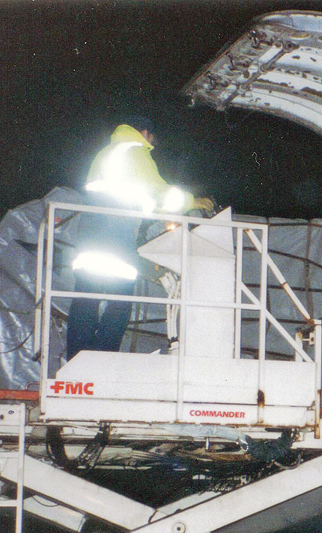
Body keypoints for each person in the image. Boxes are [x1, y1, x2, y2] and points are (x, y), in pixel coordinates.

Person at [67, 116, 213, 358]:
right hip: (114, 231)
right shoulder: (134, 152)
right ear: (145, 133)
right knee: (120, 303)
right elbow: (159, 193)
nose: (152, 143)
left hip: (92, 230)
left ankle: (77, 357)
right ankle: (101, 358)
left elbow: (139, 199)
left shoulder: (107, 152)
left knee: (86, 298)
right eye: (152, 138)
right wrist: (192, 202)